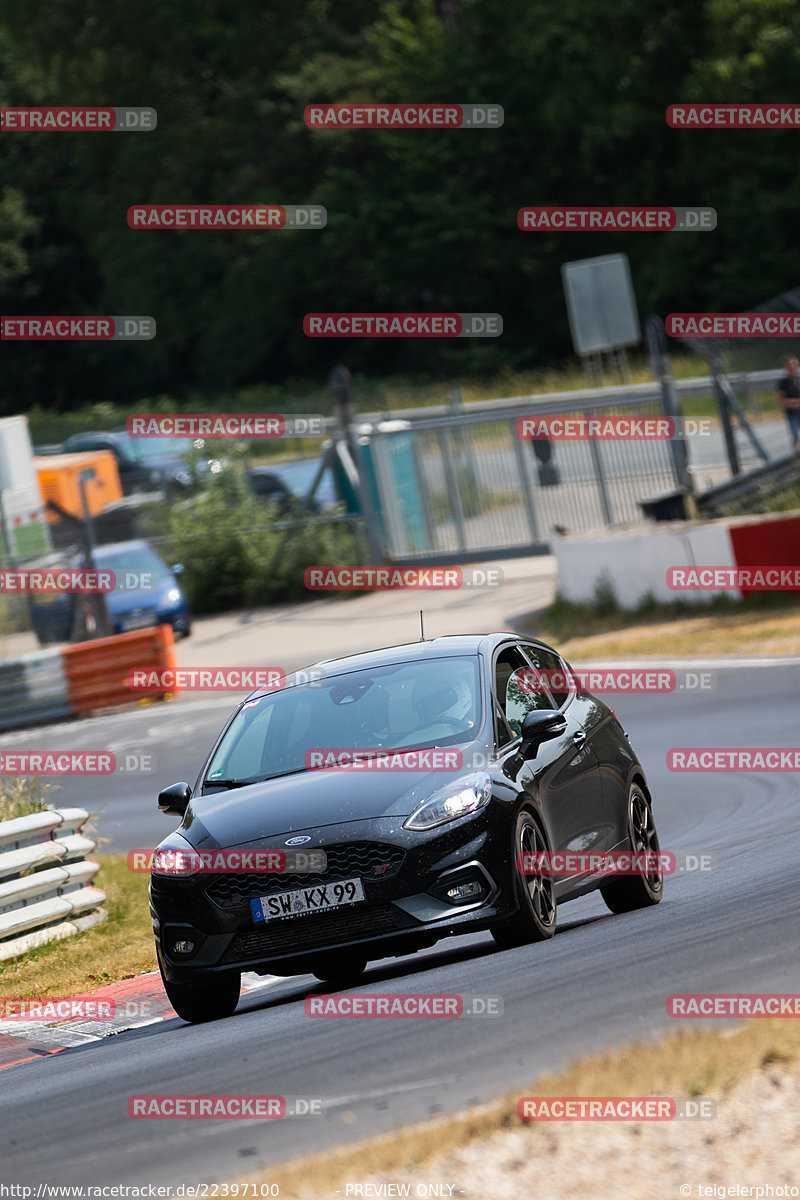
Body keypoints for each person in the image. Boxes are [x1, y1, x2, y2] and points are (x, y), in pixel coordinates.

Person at [776, 356, 800, 451]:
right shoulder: (783, 382)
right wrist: (792, 403)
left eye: (793, 364)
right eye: (789, 365)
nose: (792, 367)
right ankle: (795, 454)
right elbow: (779, 400)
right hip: (792, 413)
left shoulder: (798, 380)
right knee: (794, 436)